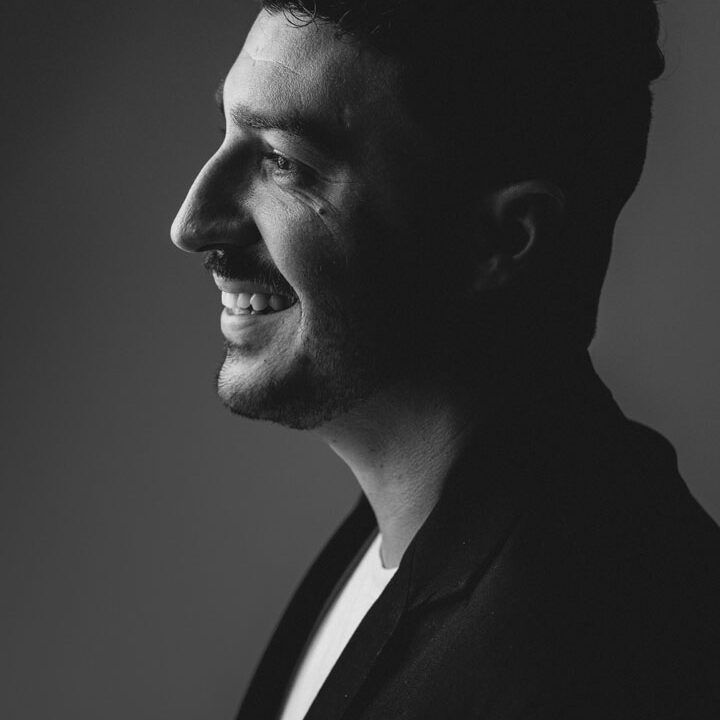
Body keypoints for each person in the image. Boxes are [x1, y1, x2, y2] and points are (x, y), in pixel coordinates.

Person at [171, 1, 720, 718]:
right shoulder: (406, 539)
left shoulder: (597, 654)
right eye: (227, 132)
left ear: (503, 240)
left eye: (283, 162)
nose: (191, 224)